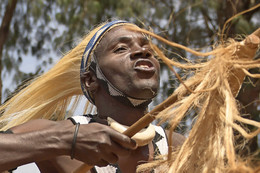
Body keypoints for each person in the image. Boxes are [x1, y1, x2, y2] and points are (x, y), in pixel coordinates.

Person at [0, 20, 185, 172]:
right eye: (121, 48)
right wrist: (68, 141)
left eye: (149, 50)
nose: (142, 51)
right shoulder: (61, 132)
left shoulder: (179, 147)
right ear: (91, 79)